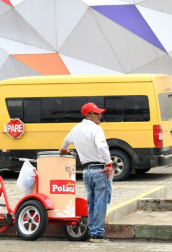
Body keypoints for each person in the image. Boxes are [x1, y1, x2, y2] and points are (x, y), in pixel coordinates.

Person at [60, 103, 114, 243]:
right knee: (100, 203)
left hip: (86, 172)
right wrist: (109, 164)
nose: (99, 116)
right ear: (87, 115)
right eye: (96, 113)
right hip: (100, 170)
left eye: (100, 113)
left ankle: (91, 232)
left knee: (91, 203)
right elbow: (102, 147)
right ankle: (97, 234)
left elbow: (64, 145)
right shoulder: (96, 129)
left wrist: (65, 151)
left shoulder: (76, 129)